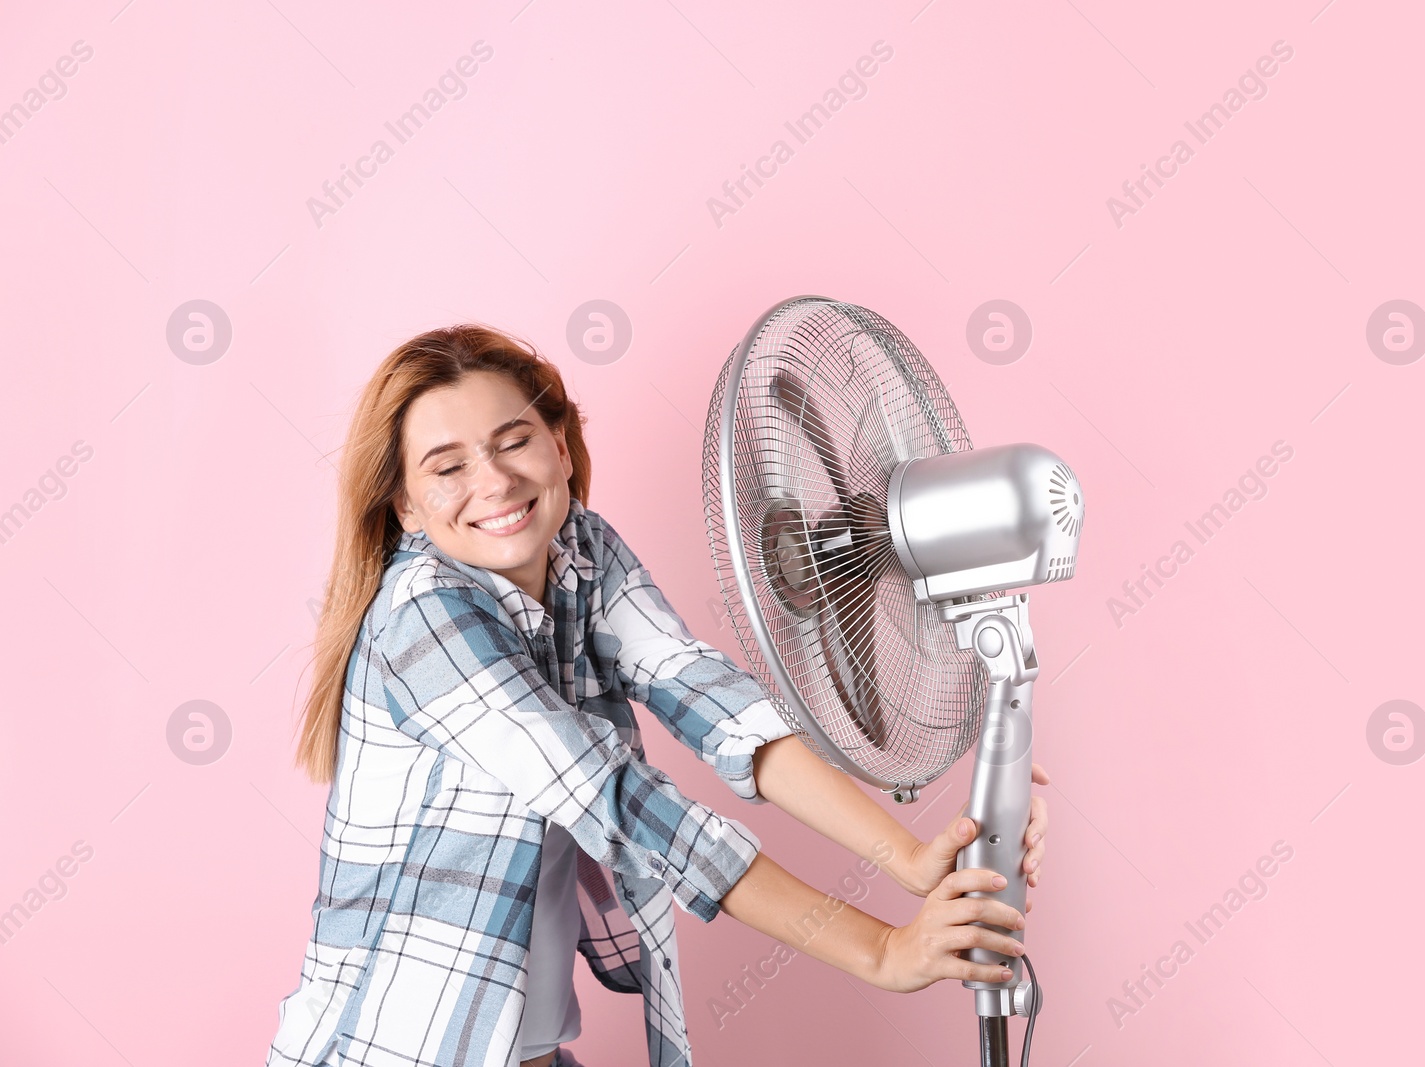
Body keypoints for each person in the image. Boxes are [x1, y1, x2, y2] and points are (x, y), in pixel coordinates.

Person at [265, 324, 1051, 1067]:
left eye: (515, 442)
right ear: (404, 505)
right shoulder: (424, 615)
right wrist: (883, 950)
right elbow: (619, 799)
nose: (495, 482)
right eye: (448, 467)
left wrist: (911, 857)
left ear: (564, 447)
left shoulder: (583, 548)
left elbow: (712, 700)